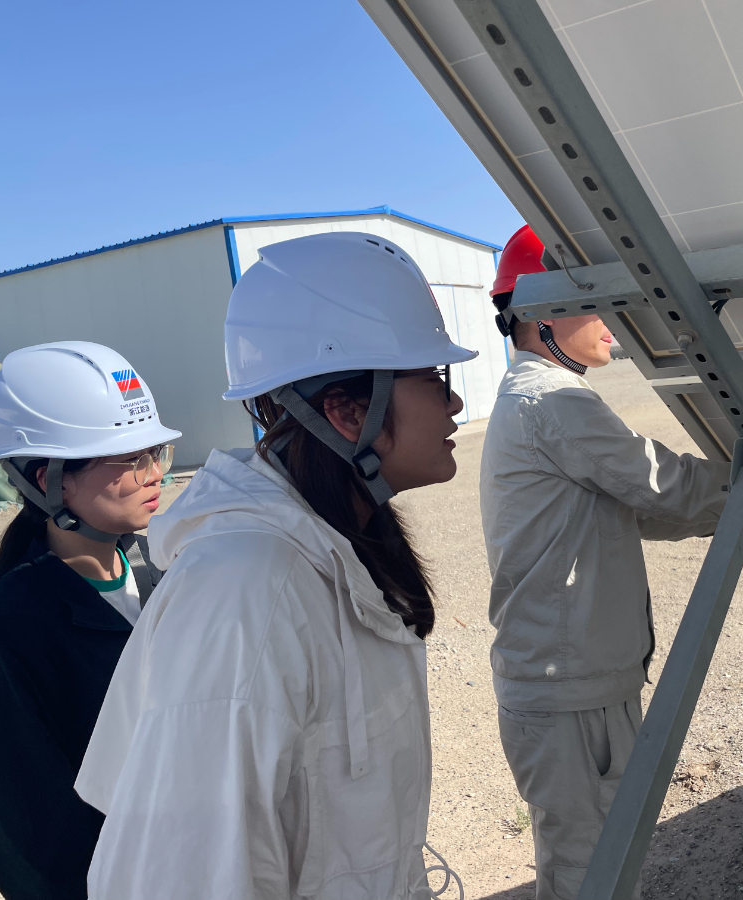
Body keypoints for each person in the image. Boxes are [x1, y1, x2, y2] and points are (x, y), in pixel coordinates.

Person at [481, 225, 743, 900]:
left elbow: (648, 512)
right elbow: (665, 485)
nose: (613, 323)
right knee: (591, 868)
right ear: (541, 310)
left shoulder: (536, 400)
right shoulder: (552, 401)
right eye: (594, 303)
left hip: (570, 682)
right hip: (569, 689)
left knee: (598, 855)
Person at [74, 232, 475, 900]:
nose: (454, 403)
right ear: (347, 412)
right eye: (435, 378)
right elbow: (183, 879)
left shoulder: (335, 545)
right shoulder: (246, 591)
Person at [0, 341, 180, 900]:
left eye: (156, 452)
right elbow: (26, 842)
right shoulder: (10, 628)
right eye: (131, 459)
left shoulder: (164, 573)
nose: (155, 473)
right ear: (48, 478)